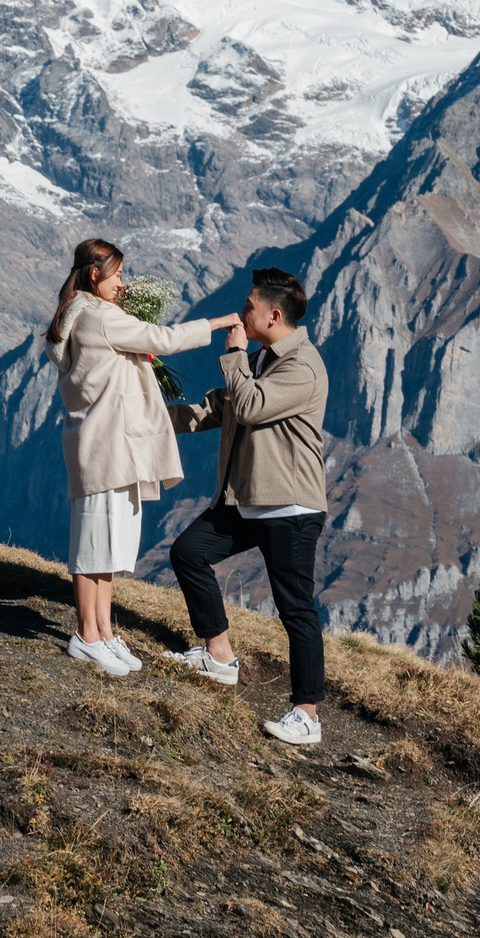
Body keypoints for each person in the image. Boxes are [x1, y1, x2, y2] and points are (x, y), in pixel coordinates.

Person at [45, 238, 235, 677]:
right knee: (94, 545)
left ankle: (104, 632)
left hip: (112, 445)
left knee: (108, 545)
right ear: (96, 275)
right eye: (118, 276)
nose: (122, 284)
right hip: (106, 445)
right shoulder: (99, 318)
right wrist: (220, 321)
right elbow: (162, 338)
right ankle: (86, 635)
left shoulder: (85, 316)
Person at [160, 267, 330, 746]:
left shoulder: (303, 366)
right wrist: (146, 415)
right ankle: (218, 656)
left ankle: (307, 714)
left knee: (295, 608)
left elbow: (252, 406)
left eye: (250, 309)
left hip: (289, 507)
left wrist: (234, 353)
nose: (241, 315)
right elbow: (215, 409)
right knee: (188, 553)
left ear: (274, 315)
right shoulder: (258, 360)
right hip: (246, 499)